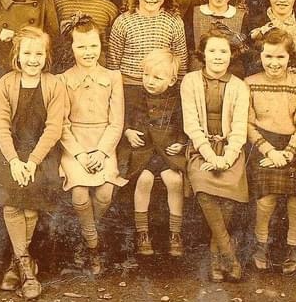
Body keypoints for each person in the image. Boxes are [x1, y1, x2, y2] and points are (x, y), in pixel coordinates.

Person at [0, 26, 65, 300]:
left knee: (32, 202)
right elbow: (1, 127)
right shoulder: (6, 83)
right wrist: (14, 161)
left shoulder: (54, 84)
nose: (33, 59)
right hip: (11, 153)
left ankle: (18, 265)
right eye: (27, 54)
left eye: (39, 54)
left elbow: (54, 128)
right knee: (12, 202)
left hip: (41, 154)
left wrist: (33, 161)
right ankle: (27, 266)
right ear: (17, 55)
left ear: (46, 57)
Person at [58, 16, 126, 275]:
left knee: (105, 193)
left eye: (93, 46)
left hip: (103, 143)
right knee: (79, 193)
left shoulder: (113, 77)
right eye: (81, 46)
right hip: (74, 145)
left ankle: (86, 236)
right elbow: (62, 124)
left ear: (101, 45)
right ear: (71, 47)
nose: (88, 52)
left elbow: (116, 122)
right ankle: (92, 245)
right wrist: (80, 154)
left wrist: (102, 151)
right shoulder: (63, 79)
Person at [182, 29, 250, 282]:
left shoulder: (240, 86)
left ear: (232, 55)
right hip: (201, 149)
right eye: (212, 51)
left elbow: (240, 129)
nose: (218, 56)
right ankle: (228, 255)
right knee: (204, 190)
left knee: (229, 196)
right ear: (203, 54)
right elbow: (191, 125)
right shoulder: (190, 81)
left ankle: (215, 255)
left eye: (223, 51)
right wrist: (211, 156)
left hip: (231, 150)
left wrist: (227, 158)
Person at [245, 28, 296, 275]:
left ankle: (293, 245)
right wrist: (269, 151)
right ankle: (261, 243)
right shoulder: (250, 84)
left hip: (292, 147)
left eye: (280, 57)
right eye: (268, 56)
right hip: (261, 146)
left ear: (290, 58)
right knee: (267, 197)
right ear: (260, 56)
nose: (274, 63)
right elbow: (247, 124)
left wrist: (289, 152)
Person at [123, 49, 186, 258]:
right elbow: (124, 119)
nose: (149, 81)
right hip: (144, 151)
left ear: (171, 80)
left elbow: (182, 126)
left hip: (167, 152)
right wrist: (128, 132)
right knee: (144, 180)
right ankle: (142, 233)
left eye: (157, 77)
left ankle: (175, 233)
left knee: (175, 181)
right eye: (146, 75)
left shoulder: (176, 100)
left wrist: (180, 143)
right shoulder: (135, 97)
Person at [107, 0, 188, 102]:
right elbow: (113, 63)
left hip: (162, 89)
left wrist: (178, 91)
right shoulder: (123, 22)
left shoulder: (174, 22)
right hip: (129, 88)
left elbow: (181, 62)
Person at [186, 0, 247, 77]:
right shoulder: (193, 15)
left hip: (231, 78)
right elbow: (190, 52)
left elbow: (242, 57)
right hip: (199, 76)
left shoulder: (241, 17)